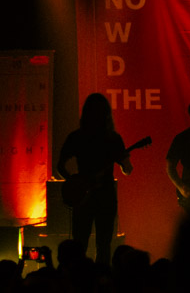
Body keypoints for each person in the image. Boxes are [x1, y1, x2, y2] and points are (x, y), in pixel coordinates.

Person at [55, 93, 134, 262]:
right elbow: (128, 170)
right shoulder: (113, 138)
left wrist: (74, 183)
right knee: (104, 244)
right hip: (105, 196)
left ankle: (77, 273)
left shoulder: (77, 136)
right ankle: (102, 274)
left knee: (79, 243)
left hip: (82, 198)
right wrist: (123, 161)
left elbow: (60, 166)